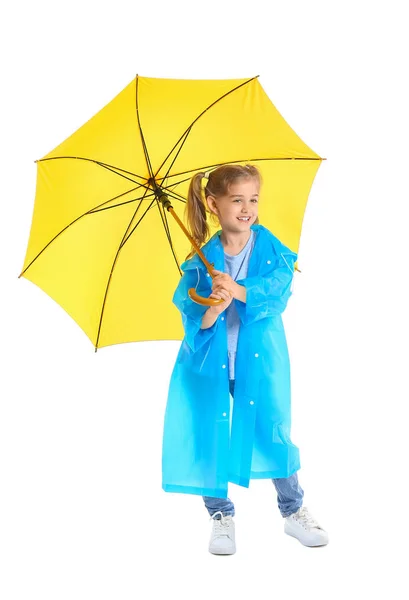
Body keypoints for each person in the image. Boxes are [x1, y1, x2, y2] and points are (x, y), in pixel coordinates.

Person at [162, 164, 328, 554]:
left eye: (253, 199)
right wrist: (212, 309)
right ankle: (220, 515)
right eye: (236, 199)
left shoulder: (270, 248)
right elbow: (190, 314)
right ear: (213, 203)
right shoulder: (200, 260)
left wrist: (237, 289)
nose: (246, 208)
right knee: (212, 432)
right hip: (209, 364)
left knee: (272, 429)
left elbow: (277, 293)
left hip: (259, 360)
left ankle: (293, 510)